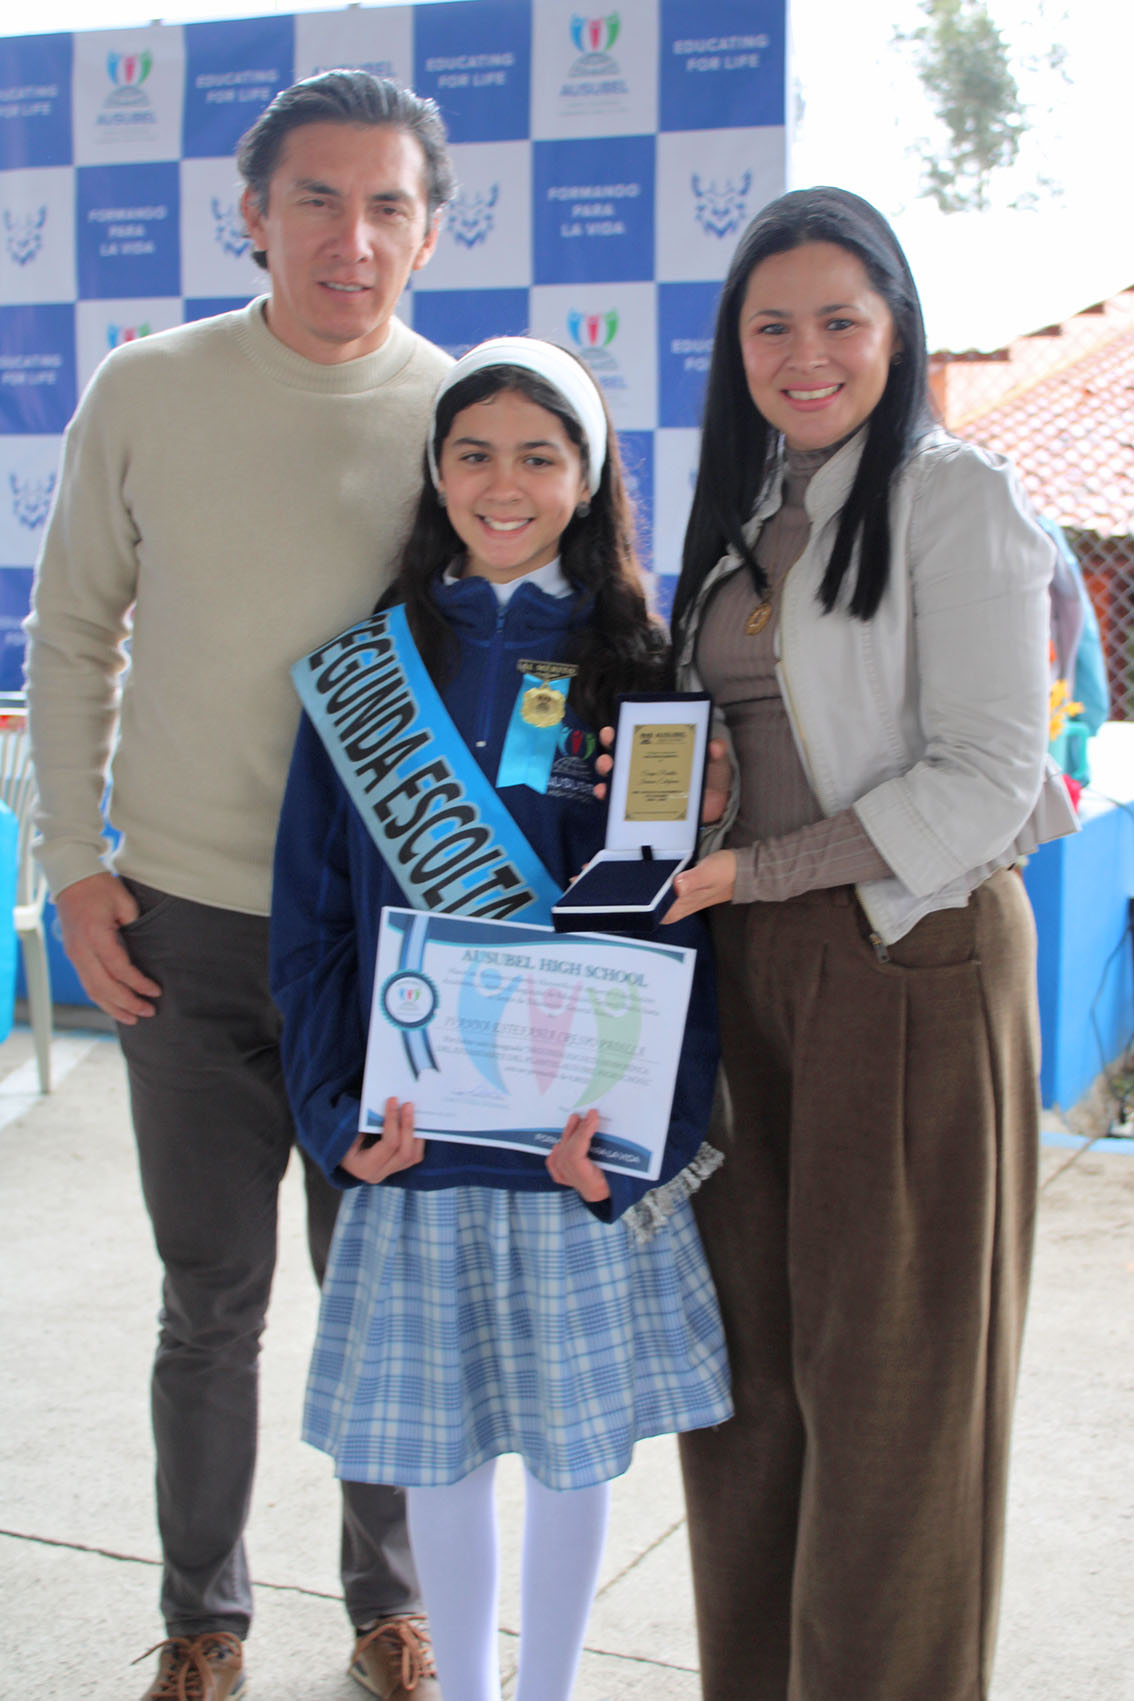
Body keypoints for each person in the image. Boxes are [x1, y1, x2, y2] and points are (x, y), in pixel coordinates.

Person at [24, 71, 458, 1701]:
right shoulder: (148, 389)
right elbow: (71, 636)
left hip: (385, 947)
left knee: (380, 1304)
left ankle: (388, 1606)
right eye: (317, 201)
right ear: (251, 211)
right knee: (208, 1304)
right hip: (178, 932)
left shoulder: (465, 413)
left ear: (427, 225)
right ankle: (203, 1618)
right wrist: (75, 870)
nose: (352, 238)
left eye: (387, 205)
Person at [269, 337, 732, 1701]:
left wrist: (636, 1136)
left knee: (571, 1444)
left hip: (569, 1137)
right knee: (440, 1447)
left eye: (540, 452)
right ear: (433, 470)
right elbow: (312, 926)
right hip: (417, 1137)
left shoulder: (640, 674)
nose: (503, 479)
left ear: (587, 480)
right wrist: (332, 1115)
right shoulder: (367, 670)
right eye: (471, 450)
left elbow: (674, 925)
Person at [662, 187, 1078, 1701]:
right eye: (771, 324)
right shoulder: (744, 506)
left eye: (839, 318)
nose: (805, 351)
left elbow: (991, 778)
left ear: (893, 329)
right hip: (740, 967)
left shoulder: (954, 496)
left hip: (904, 960)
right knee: (747, 1389)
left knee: (895, 1399)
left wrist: (762, 865)